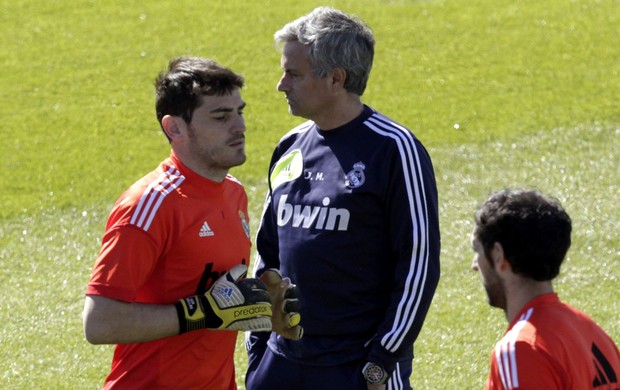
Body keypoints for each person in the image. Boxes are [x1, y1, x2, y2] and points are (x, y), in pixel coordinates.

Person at [245, 7, 441, 390]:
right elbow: (267, 253)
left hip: (356, 367)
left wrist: (381, 361)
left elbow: (419, 264)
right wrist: (259, 349)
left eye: (293, 74)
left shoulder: (394, 150)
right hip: (281, 365)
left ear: (336, 78)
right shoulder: (289, 148)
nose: (281, 85)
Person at [82, 56, 290, 389]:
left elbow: (220, 299)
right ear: (175, 127)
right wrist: (202, 311)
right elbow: (100, 323)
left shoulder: (233, 194)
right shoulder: (149, 206)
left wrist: (264, 308)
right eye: (221, 116)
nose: (240, 127)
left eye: (240, 112)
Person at [471, 189, 620, 389]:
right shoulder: (590, 331)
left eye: (477, 251)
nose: (475, 264)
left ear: (499, 256)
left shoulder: (520, 349)